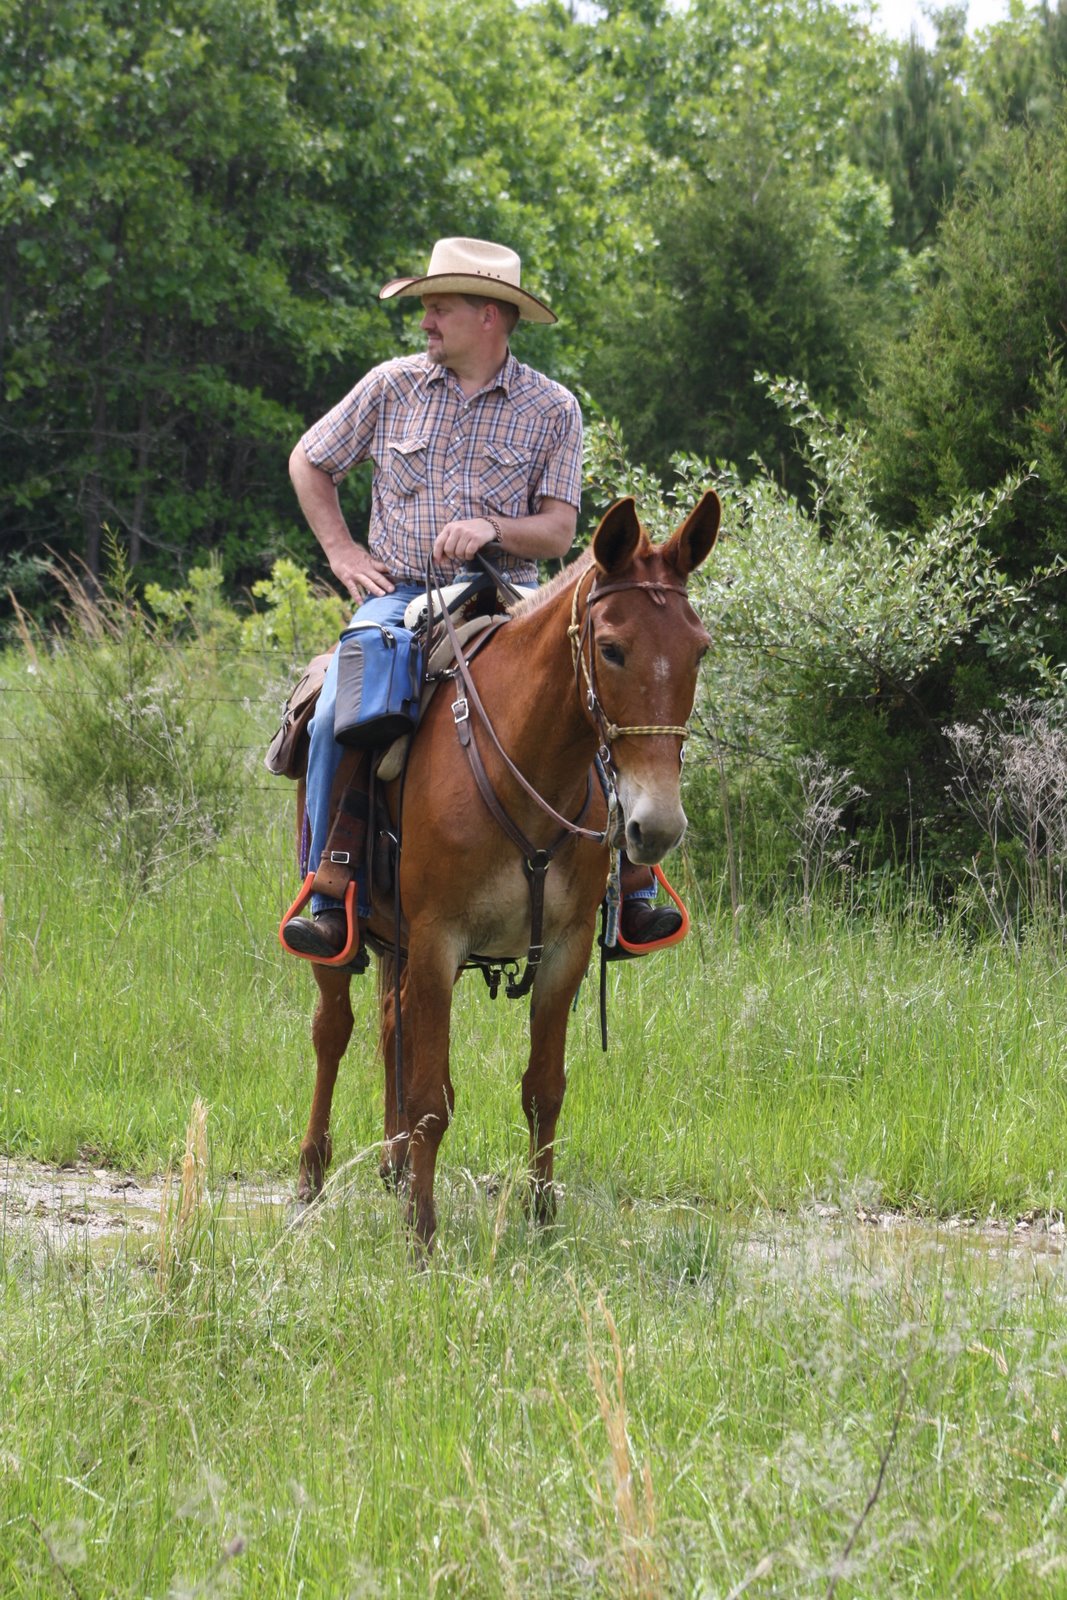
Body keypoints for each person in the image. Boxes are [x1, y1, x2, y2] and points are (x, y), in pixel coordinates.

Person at [282, 236, 682, 960]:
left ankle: (634, 885)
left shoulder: (552, 408)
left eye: (439, 308)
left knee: (594, 690)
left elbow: (561, 529)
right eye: (426, 309)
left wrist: (491, 527)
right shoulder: (389, 386)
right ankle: (329, 886)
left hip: (510, 600)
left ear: (490, 316)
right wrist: (343, 553)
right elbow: (309, 461)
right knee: (337, 706)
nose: (426, 322)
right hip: (399, 594)